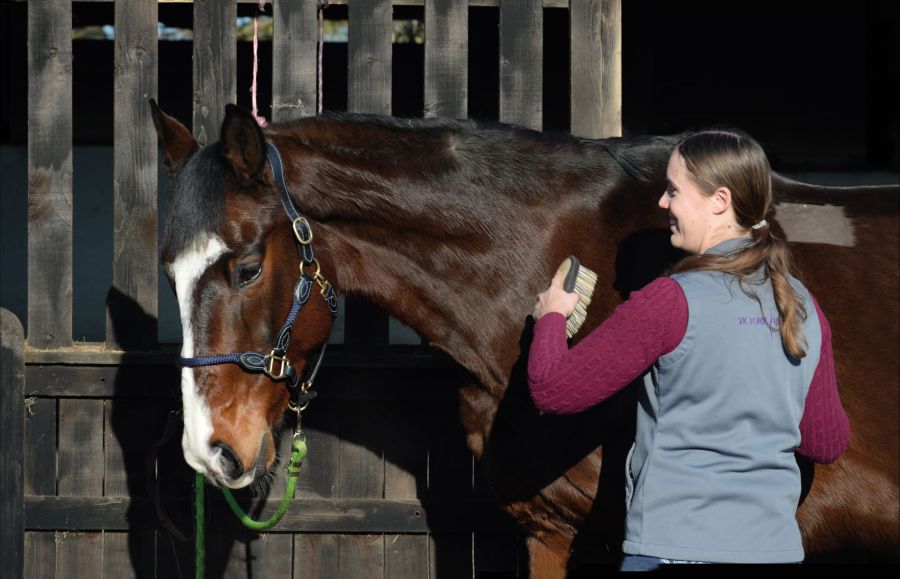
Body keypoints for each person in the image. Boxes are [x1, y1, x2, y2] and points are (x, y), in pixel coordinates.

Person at [528, 129, 850, 570]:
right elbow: (825, 442)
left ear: (719, 200)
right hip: (773, 551)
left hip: (673, 551)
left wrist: (551, 318)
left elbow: (553, 390)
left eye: (673, 190)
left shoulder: (671, 301)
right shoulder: (803, 305)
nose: (663, 204)